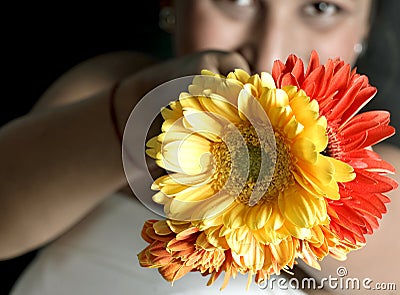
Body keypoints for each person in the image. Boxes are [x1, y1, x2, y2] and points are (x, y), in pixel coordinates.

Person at [1, 0, 398, 294]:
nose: (269, 52)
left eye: (322, 7)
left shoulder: (383, 190)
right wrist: (139, 107)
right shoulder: (103, 91)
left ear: (366, 26)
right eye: (237, 0)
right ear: (174, 4)